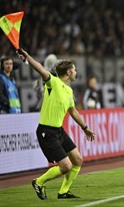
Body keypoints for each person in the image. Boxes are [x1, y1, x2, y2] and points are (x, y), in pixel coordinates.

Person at [17, 48, 95, 200]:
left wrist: (85, 128)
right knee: (65, 166)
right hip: (46, 132)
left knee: (77, 160)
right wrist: (27, 57)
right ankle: (38, 182)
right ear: (68, 72)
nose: (76, 72)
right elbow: (40, 69)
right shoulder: (53, 82)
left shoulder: (69, 91)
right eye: (74, 70)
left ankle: (63, 192)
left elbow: (73, 112)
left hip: (58, 131)